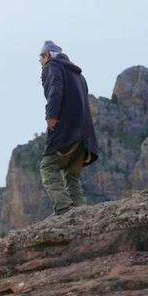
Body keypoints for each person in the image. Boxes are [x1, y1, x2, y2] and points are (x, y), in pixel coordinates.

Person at [39, 41, 99, 215]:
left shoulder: (53, 67)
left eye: (42, 56)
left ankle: (64, 208)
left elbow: (55, 89)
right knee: (72, 176)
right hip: (84, 136)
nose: (40, 61)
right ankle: (81, 211)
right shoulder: (79, 75)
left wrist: (51, 116)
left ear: (49, 55)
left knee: (48, 167)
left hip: (65, 131)